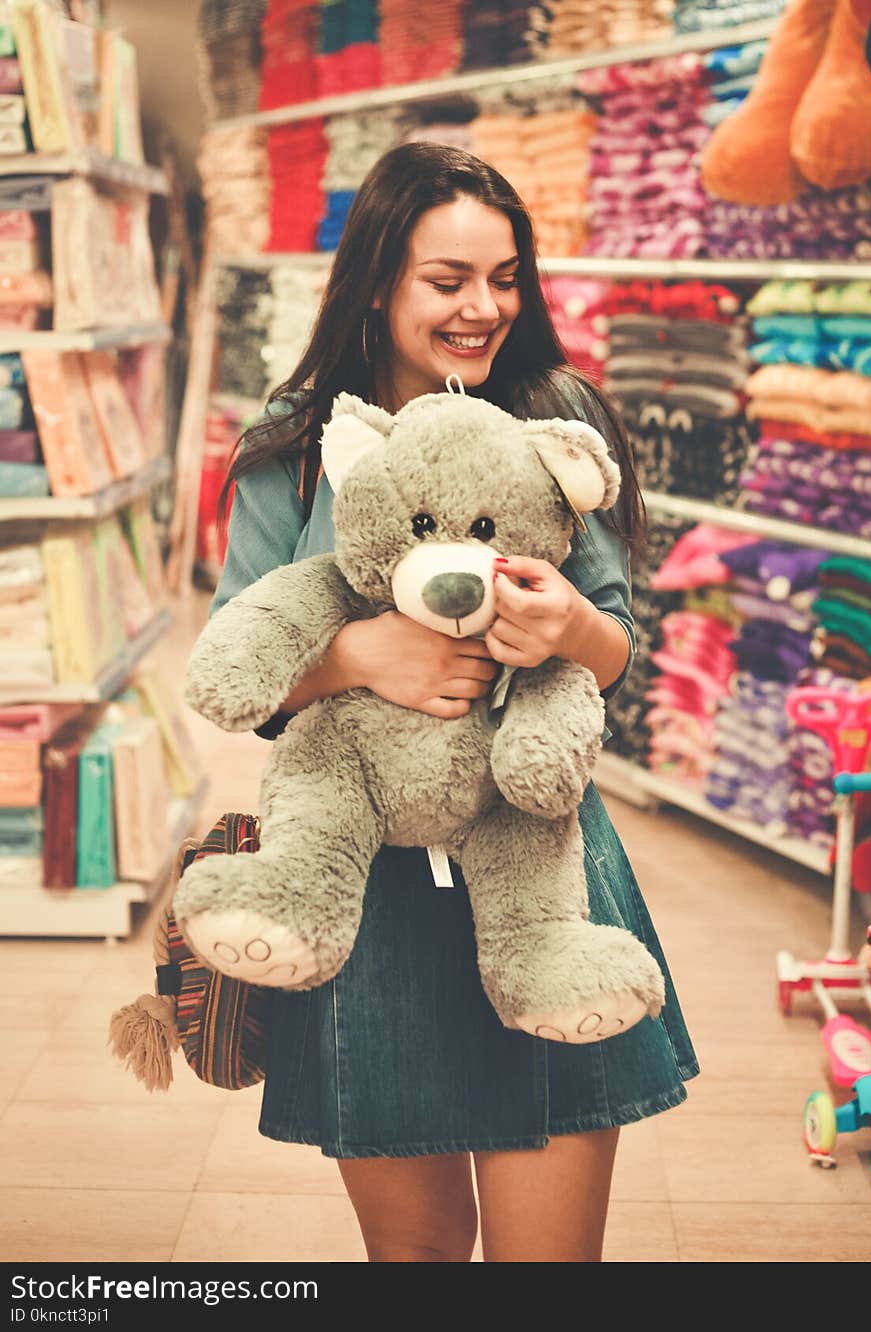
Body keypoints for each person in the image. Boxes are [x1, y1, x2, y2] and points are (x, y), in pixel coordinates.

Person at [208, 142, 699, 1263]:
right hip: (361, 894)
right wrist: (356, 658)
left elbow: (626, 648)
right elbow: (238, 671)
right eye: (449, 280)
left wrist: (573, 632)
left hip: (540, 867)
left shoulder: (558, 417)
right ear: (378, 281)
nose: (485, 308)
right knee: (416, 1258)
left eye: (507, 276)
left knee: (547, 1261)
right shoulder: (294, 449)